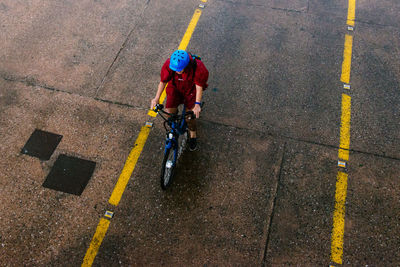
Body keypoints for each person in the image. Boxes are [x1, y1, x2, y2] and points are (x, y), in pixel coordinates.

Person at [151, 50, 209, 151]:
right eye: (175, 69)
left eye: (180, 69)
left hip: (191, 90)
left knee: (190, 117)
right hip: (175, 88)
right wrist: (156, 98)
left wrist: (197, 104)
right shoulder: (170, 64)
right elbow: (163, 82)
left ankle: (193, 134)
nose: (177, 71)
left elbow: (199, 87)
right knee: (169, 113)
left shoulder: (198, 67)